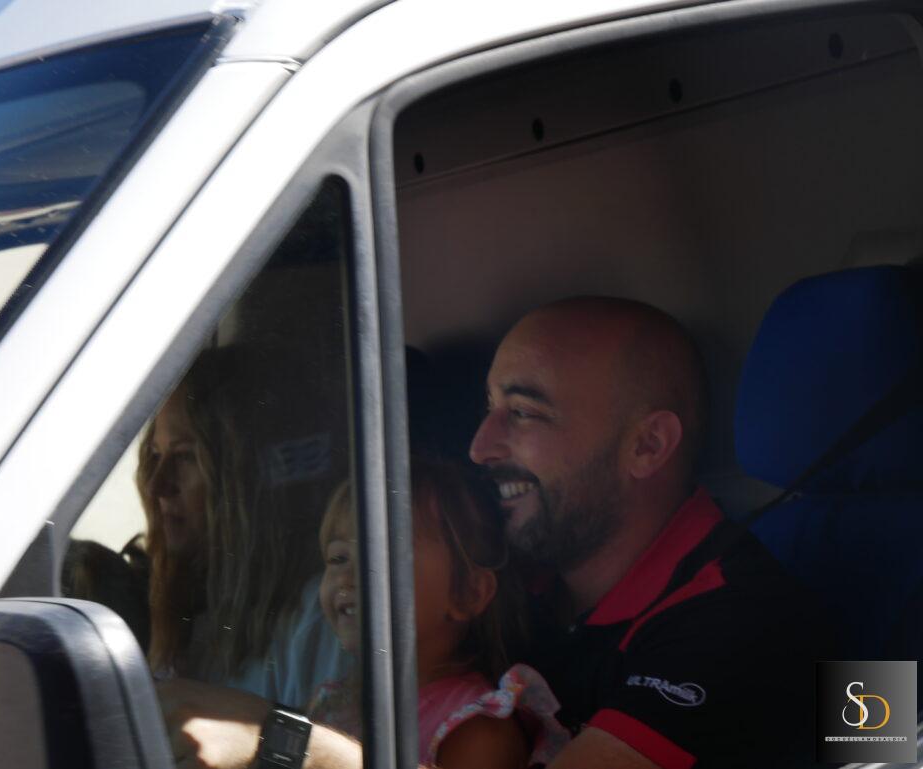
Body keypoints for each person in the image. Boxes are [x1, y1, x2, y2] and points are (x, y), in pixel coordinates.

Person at [158, 297, 825, 769]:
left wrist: (279, 743)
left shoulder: (739, 620)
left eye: (523, 413)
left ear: (647, 445)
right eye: (488, 407)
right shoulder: (519, 579)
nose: (480, 446)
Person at [310, 460, 568, 768]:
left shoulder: (477, 730)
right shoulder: (331, 702)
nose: (347, 577)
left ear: (468, 593)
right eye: (338, 557)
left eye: (381, 555)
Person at [139, 345, 347, 706]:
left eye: (186, 457)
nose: (157, 485)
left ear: (244, 477)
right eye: (155, 456)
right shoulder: (188, 610)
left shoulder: (315, 619)